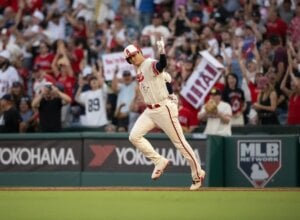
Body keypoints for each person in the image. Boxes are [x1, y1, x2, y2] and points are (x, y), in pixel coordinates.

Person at [123, 38, 205, 190]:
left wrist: (162, 52)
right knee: (134, 136)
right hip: (151, 110)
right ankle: (159, 161)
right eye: (130, 58)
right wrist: (172, 92)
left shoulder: (148, 63)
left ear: (140, 52)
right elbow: (166, 77)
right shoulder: (139, 68)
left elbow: (161, 66)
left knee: (180, 143)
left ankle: (197, 174)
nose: (133, 59)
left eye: (134, 55)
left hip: (163, 109)